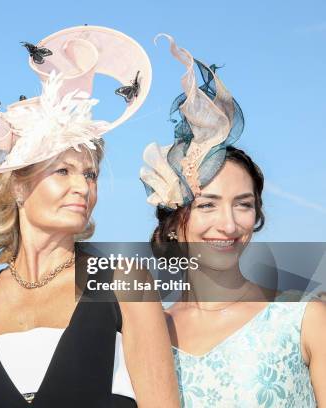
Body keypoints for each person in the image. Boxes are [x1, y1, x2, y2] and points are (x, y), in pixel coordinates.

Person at [0, 26, 179, 407]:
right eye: (63, 172)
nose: (83, 187)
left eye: (90, 174)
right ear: (17, 187)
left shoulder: (124, 284)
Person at [139, 35, 326, 406]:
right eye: (207, 205)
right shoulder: (150, 333)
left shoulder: (304, 320)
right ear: (175, 223)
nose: (228, 225)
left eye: (243, 205)